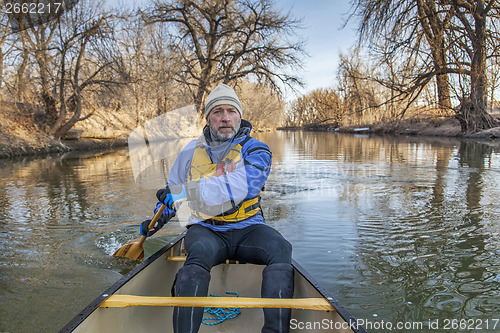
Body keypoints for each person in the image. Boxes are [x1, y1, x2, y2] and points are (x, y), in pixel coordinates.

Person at [140, 83, 294, 333]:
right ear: (208, 118)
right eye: (218, 111)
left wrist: (184, 193)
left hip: (249, 227)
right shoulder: (189, 151)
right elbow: (172, 192)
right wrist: (159, 217)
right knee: (197, 252)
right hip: (206, 229)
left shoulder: (256, 149)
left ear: (239, 116)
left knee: (281, 248)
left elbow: (243, 186)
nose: (225, 117)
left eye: (231, 111)